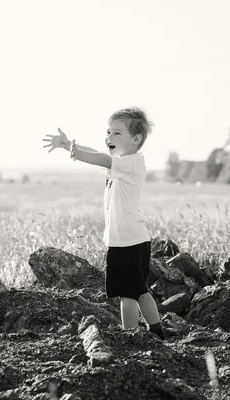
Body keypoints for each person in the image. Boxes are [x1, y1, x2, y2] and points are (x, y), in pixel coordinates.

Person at [42, 107, 165, 339]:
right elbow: (99, 155)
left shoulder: (132, 163)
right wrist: (69, 145)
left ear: (136, 139)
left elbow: (100, 158)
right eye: (108, 132)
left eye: (117, 133)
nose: (109, 137)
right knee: (139, 291)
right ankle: (157, 332)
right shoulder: (120, 163)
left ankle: (130, 338)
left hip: (129, 241)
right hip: (128, 239)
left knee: (127, 296)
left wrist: (75, 152)